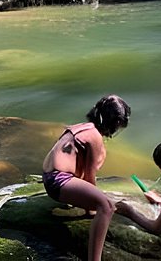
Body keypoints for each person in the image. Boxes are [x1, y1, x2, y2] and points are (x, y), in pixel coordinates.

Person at [42, 94, 131, 261]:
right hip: (60, 180)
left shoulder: (80, 127)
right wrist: (93, 209)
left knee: (103, 203)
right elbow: (90, 178)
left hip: (49, 177)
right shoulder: (95, 136)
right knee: (107, 207)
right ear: (116, 122)